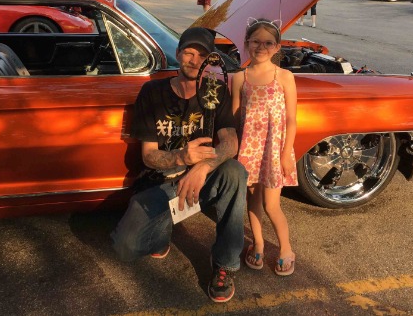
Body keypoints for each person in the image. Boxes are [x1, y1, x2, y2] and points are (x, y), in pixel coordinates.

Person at [111, 27, 247, 303]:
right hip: (160, 182)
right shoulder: (152, 92)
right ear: (177, 54)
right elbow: (148, 155)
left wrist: (201, 168)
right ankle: (162, 231)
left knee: (235, 172)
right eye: (188, 52)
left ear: (209, 61)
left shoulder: (215, 90)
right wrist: (182, 157)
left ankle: (224, 263)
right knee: (124, 247)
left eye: (202, 55)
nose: (194, 60)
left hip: (200, 180)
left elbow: (230, 144)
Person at [231, 18, 298, 277]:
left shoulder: (284, 76)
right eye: (256, 41)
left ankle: (286, 250)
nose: (261, 46)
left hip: (273, 151)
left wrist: (286, 154)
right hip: (248, 149)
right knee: (253, 200)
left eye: (268, 42)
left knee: (272, 205)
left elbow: (291, 119)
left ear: (277, 47)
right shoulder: (239, 77)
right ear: (247, 44)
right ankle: (257, 243)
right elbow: (236, 118)